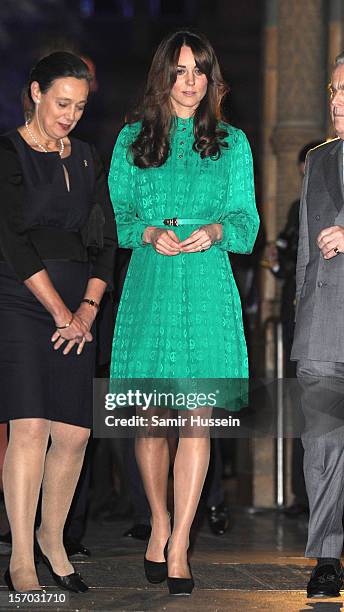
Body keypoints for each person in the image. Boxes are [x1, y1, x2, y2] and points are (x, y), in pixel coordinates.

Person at [108, 30, 259, 595]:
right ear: (163, 77)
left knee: (196, 419)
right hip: (151, 283)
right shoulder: (132, 140)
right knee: (152, 419)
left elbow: (247, 223)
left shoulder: (233, 143)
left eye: (199, 70)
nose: (190, 80)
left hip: (207, 283)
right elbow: (117, 217)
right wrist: (147, 231)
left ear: (212, 78)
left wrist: (216, 229)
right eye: (180, 70)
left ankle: (180, 543)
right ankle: (159, 520)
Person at [0, 51, 116, 592]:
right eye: (62, 102)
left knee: (73, 433)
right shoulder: (7, 151)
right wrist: (61, 311)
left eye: (79, 106)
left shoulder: (90, 157)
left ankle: (53, 539)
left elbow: (105, 243)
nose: (70, 114)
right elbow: (14, 244)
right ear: (36, 92)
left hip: (80, 312)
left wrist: (87, 309)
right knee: (30, 427)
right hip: (25, 304)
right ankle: (21, 554)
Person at [291, 51, 344, 598]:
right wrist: (301, 322)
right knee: (324, 446)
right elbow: (309, 248)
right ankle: (327, 556)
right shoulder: (322, 160)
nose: (336, 101)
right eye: (331, 90)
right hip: (325, 325)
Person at [265, 141, 322, 518]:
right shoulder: (296, 207)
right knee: (305, 404)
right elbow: (288, 263)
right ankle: (304, 497)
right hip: (301, 312)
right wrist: (275, 258)